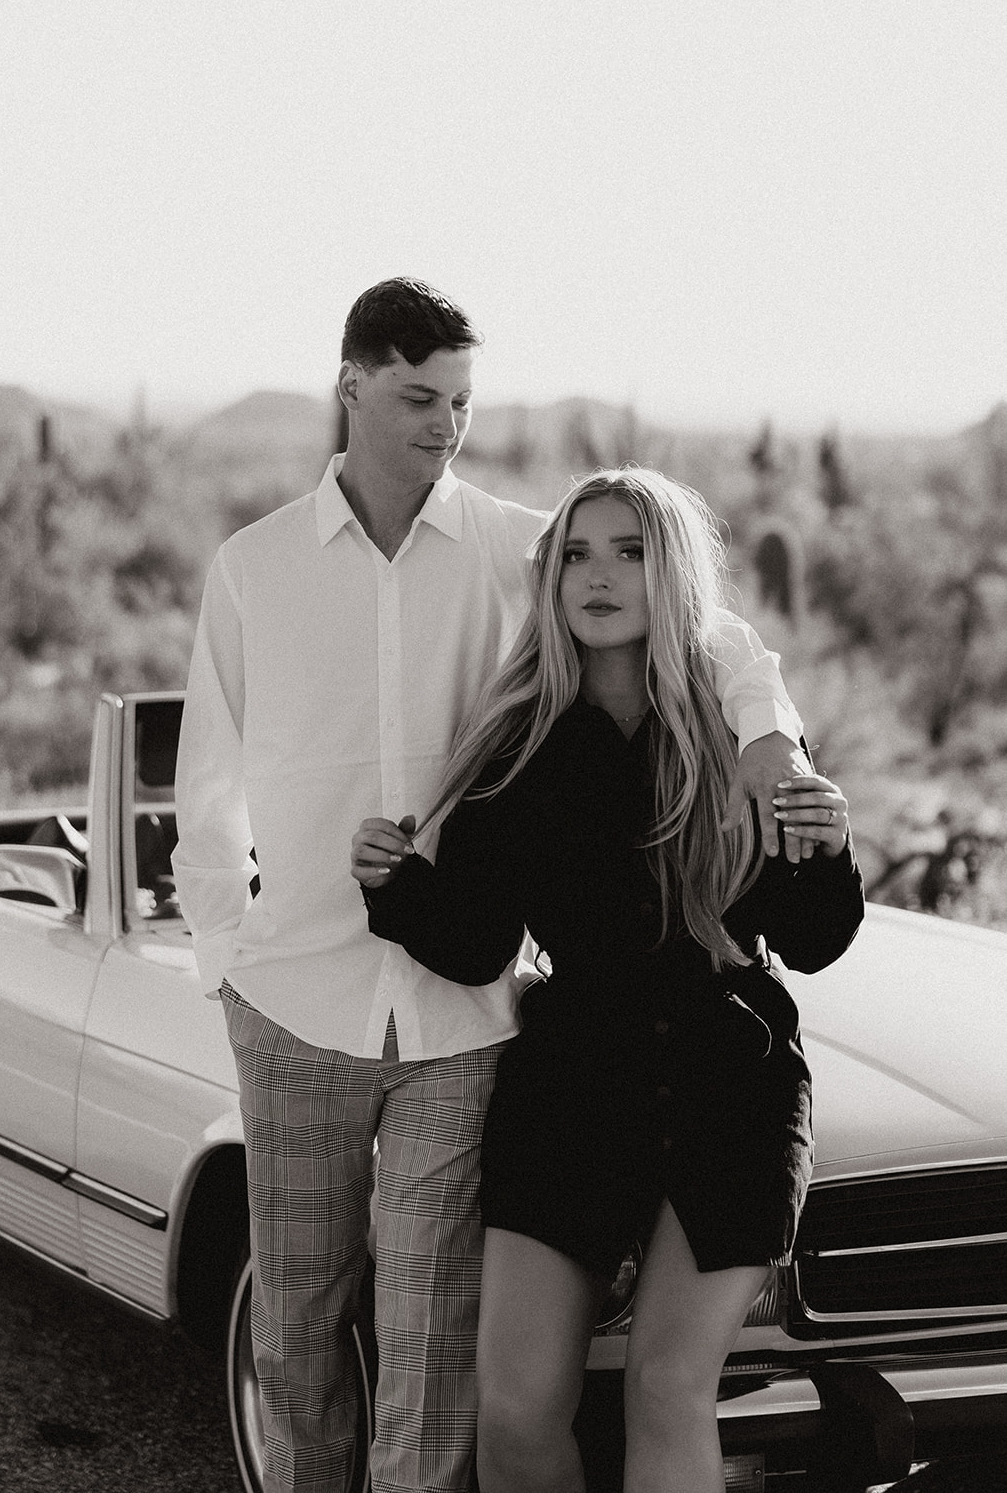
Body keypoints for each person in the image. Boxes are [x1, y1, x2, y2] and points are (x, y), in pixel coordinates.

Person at [173, 278, 810, 1493]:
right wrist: (223, 961)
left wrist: (767, 737)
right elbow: (206, 785)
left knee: (432, 1348)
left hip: (463, 1020)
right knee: (297, 1325)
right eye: (419, 397)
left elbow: (701, 621)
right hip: (294, 1001)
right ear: (349, 384)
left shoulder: (527, 549)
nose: (446, 425)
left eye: (462, 401)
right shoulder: (253, 569)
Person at [351, 467, 864, 1493]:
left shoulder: (740, 741)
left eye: (628, 551)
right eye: (575, 552)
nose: (596, 575)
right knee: (512, 1406)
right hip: (572, 1083)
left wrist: (829, 845)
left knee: (667, 1384)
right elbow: (478, 943)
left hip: (732, 1080)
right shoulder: (517, 742)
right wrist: (394, 882)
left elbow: (806, 941)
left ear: (670, 571)